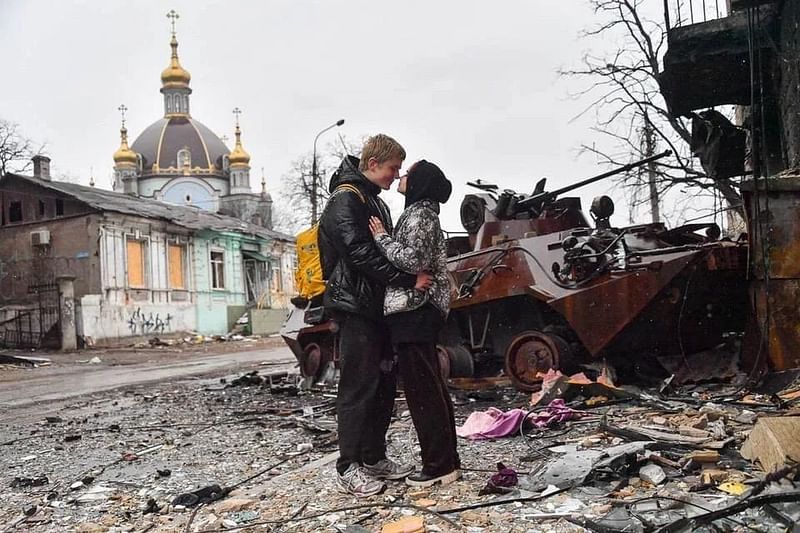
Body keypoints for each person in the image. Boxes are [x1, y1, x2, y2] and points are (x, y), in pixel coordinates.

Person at [318, 134, 433, 497]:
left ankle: (373, 457)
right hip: (355, 308)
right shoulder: (345, 200)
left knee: (382, 386)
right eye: (392, 168)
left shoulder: (373, 202)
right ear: (372, 165)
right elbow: (361, 255)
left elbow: (387, 250)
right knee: (357, 387)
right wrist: (408, 280)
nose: (395, 176)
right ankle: (348, 465)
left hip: (378, 307)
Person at [368, 159, 461, 487]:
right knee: (431, 388)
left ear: (420, 182)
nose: (402, 176)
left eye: (409, 173)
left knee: (423, 392)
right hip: (418, 311)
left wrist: (381, 238)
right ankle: (447, 460)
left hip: (415, 309)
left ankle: (438, 466)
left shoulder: (420, 215)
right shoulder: (423, 213)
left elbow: (415, 261)